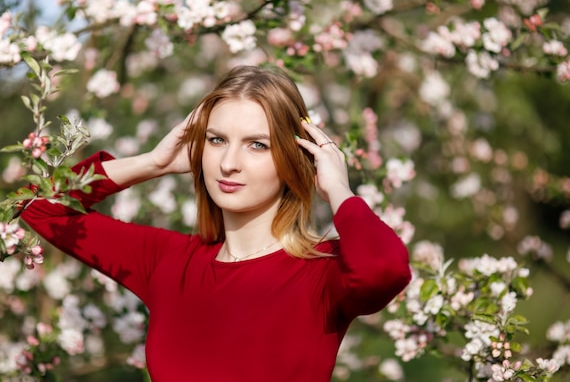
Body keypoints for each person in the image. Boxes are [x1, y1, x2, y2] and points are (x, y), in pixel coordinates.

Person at [21, 65, 411, 382]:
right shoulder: (168, 262)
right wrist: (152, 163)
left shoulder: (321, 274)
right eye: (217, 140)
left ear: (295, 158)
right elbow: (38, 206)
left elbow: (385, 269)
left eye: (257, 144)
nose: (228, 163)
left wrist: (338, 188)